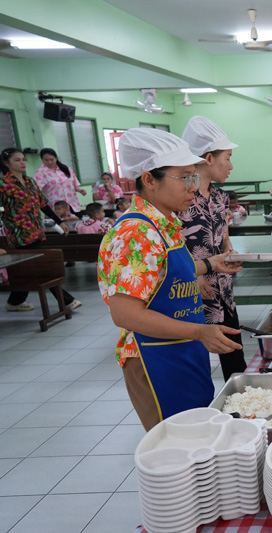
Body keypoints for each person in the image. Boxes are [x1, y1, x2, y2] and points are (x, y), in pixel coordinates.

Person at [97, 128, 243, 431]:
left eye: (194, 177)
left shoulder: (164, 223)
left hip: (181, 347)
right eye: (184, 178)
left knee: (196, 433)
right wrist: (200, 331)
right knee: (176, 441)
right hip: (154, 356)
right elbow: (125, 314)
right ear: (150, 180)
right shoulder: (136, 233)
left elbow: (164, 273)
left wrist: (210, 264)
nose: (193, 186)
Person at [178, 116, 248, 382]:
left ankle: (240, 397)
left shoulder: (220, 197)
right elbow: (172, 242)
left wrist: (231, 251)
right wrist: (194, 276)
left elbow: (223, 236)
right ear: (208, 158)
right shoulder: (181, 197)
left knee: (233, 352)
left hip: (222, 286)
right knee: (194, 355)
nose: (231, 166)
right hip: (190, 288)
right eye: (227, 158)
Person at [0, 147, 82, 312]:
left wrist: (60, 222)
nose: (22, 162)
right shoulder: (3, 185)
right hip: (19, 234)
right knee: (42, 266)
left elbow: (43, 205)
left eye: (23, 159)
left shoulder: (30, 181)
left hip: (36, 230)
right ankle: (66, 300)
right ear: (6, 163)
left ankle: (15, 301)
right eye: (17, 160)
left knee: (27, 269)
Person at [33, 148, 87, 214]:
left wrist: (81, 190)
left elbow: (74, 185)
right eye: (46, 160)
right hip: (56, 208)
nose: (49, 162)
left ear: (56, 158)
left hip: (72, 205)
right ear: (42, 159)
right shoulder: (40, 172)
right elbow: (36, 190)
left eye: (51, 159)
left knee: (77, 220)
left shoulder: (65, 169)